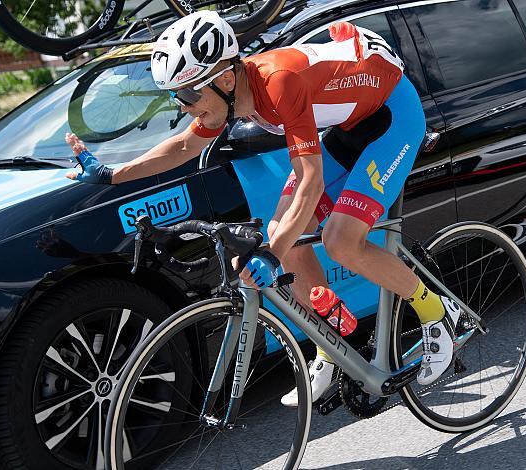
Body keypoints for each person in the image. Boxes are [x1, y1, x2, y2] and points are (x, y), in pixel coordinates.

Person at [64, 11, 462, 407]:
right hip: (351, 124)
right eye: (175, 96)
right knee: (284, 236)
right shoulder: (229, 94)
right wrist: (111, 175)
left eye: (186, 95)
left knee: (340, 241)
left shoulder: (278, 84)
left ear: (223, 79)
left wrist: (270, 255)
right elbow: (185, 146)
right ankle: (331, 342)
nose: (183, 106)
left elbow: (311, 181)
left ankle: (436, 312)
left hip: (392, 116)